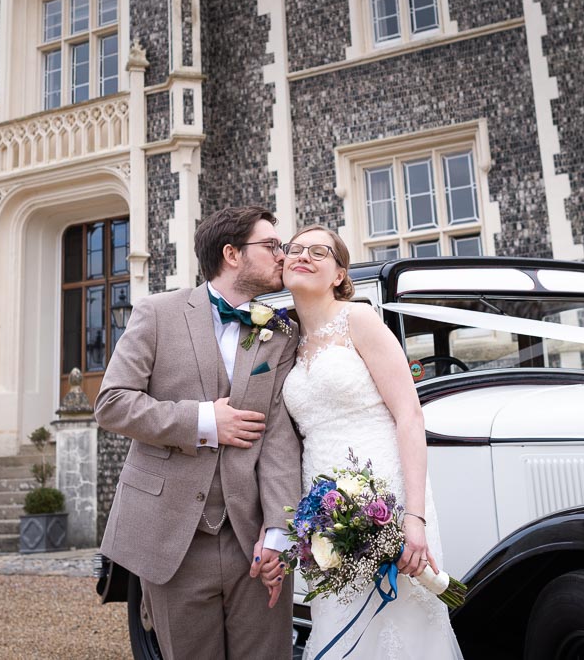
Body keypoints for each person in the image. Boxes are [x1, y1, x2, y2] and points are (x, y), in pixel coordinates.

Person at [96, 205, 302, 660]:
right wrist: (205, 422)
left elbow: (279, 438)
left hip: (252, 541)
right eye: (271, 246)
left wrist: (278, 532)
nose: (283, 255)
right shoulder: (157, 312)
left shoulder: (281, 332)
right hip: (171, 538)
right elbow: (112, 404)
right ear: (232, 254)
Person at [281, 226, 464, 659]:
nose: (303, 256)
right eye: (295, 249)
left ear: (339, 273)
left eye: (319, 252)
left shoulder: (358, 319)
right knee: (340, 616)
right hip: (323, 509)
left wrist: (414, 517)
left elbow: (409, 415)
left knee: (403, 617)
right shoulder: (287, 341)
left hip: (387, 493)